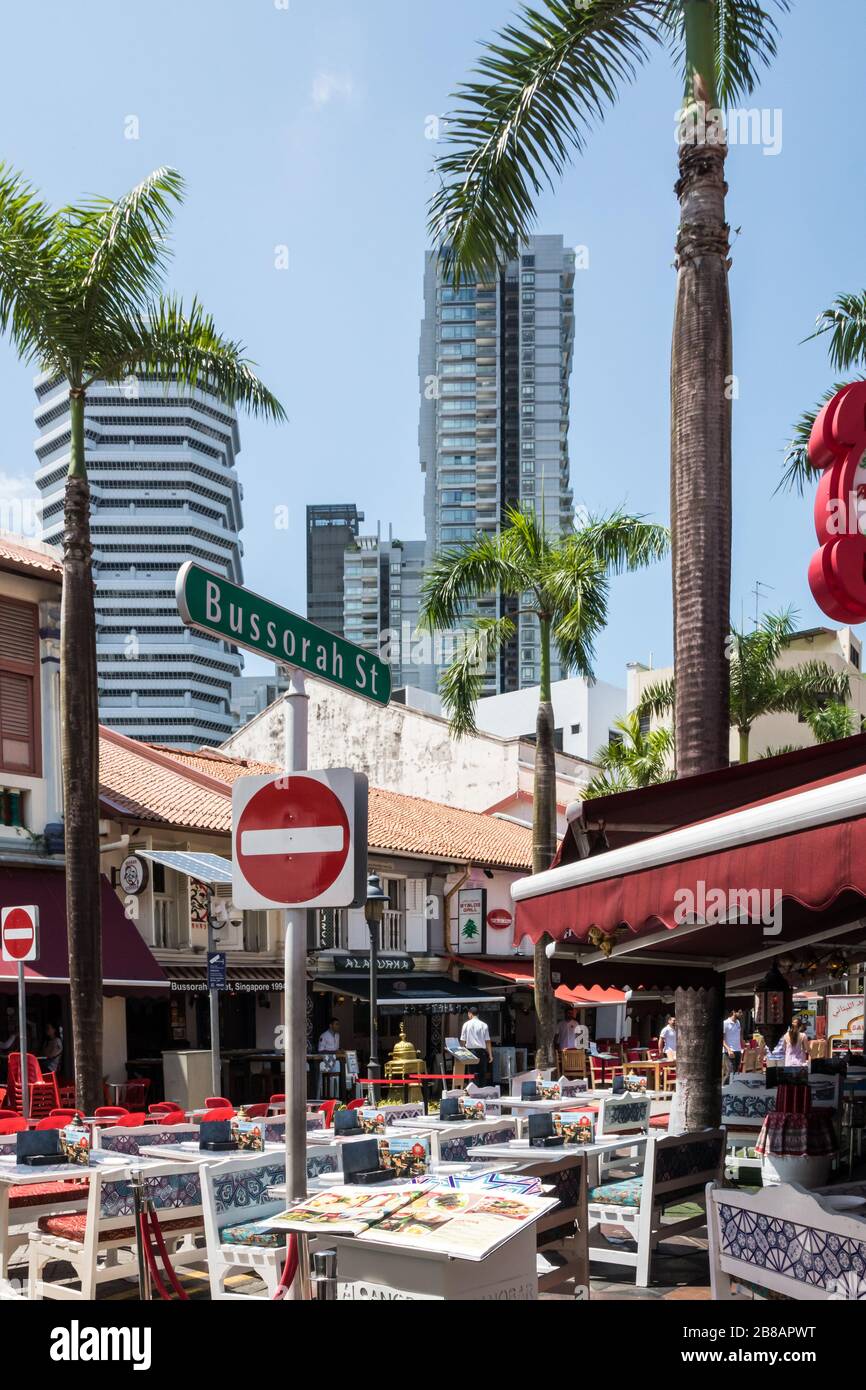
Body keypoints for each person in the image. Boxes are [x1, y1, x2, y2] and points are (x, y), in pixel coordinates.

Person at [460, 1006, 493, 1087]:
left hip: (470, 1052)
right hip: (481, 1052)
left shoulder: (466, 1024)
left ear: (470, 1014)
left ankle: (472, 1091)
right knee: (482, 1073)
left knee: (472, 1073)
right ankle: (481, 1091)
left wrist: (462, 1053)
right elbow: (488, 1041)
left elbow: (463, 1041)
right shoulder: (484, 1025)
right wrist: (490, 1055)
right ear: (478, 1015)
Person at [317, 1017, 341, 1098]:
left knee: (340, 1074)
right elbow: (320, 1050)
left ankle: (337, 1096)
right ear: (331, 1025)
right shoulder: (324, 1036)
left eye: (338, 1024)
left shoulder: (337, 1036)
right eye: (336, 1024)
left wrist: (340, 1051)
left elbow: (335, 1049)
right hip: (325, 1062)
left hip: (335, 1061)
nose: (338, 1026)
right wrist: (334, 1052)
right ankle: (326, 1096)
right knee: (327, 1079)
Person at [723, 1008, 743, 1079]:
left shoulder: (738, 1022)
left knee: (736, 1072)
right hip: (729, 1051)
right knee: (730, 1073)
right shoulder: (725, 1023)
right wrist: (728, 1049)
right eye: (740, 1012)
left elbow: (740, 1035)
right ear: (734, 1011)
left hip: (738, 1050)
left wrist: (742, 1045)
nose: (741, 1014)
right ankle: (724, 1088)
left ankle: (733, 1089)